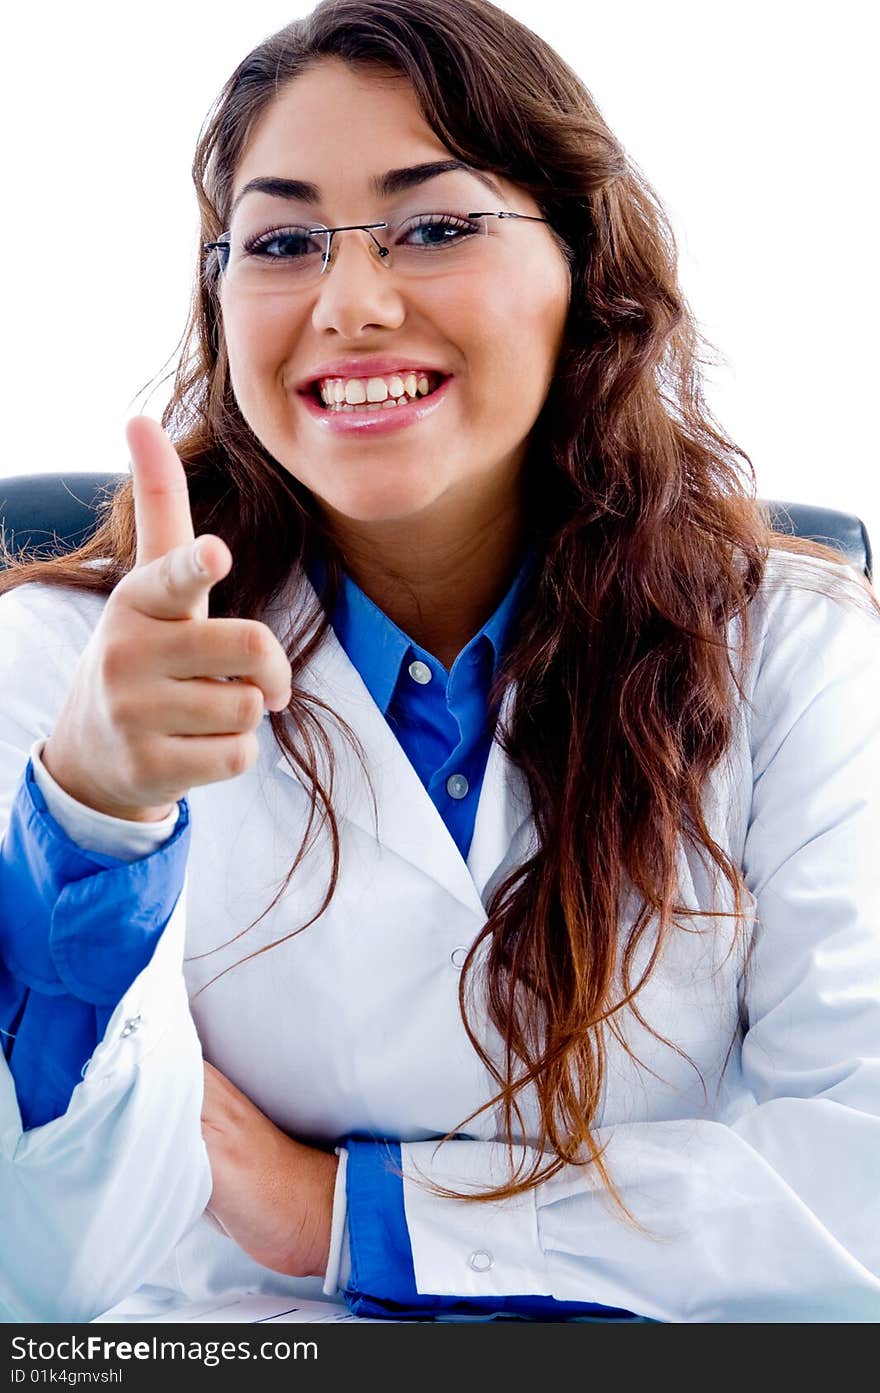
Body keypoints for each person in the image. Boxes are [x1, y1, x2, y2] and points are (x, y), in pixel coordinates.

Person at [1, 0, 879, 1326]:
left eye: (435, 224)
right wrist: (96, 819)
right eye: (285, 241)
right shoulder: (67, 670)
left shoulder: (795, 647)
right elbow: (42, 1275)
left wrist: (335, 1212)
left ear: (581, 264)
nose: (352, 303)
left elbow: (854, 1195)